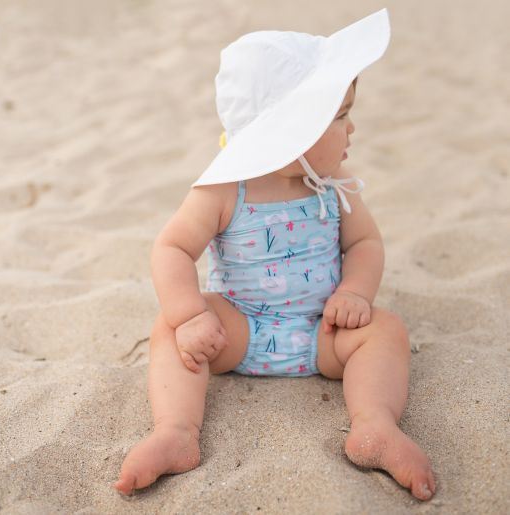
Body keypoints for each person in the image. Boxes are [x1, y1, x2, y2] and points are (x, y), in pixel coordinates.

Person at [113, 8, 436, 501]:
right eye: (340, 117)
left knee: (385, 329)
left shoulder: (331, 184)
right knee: (170, 331)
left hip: (324, 330)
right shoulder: (223, 189)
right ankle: (176, 431)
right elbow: (172, 247)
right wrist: (190, 314)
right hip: (237, 327)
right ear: (291, 131)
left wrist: (354, 292)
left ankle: (375, 425)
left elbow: (364, 243)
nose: (352, 129)